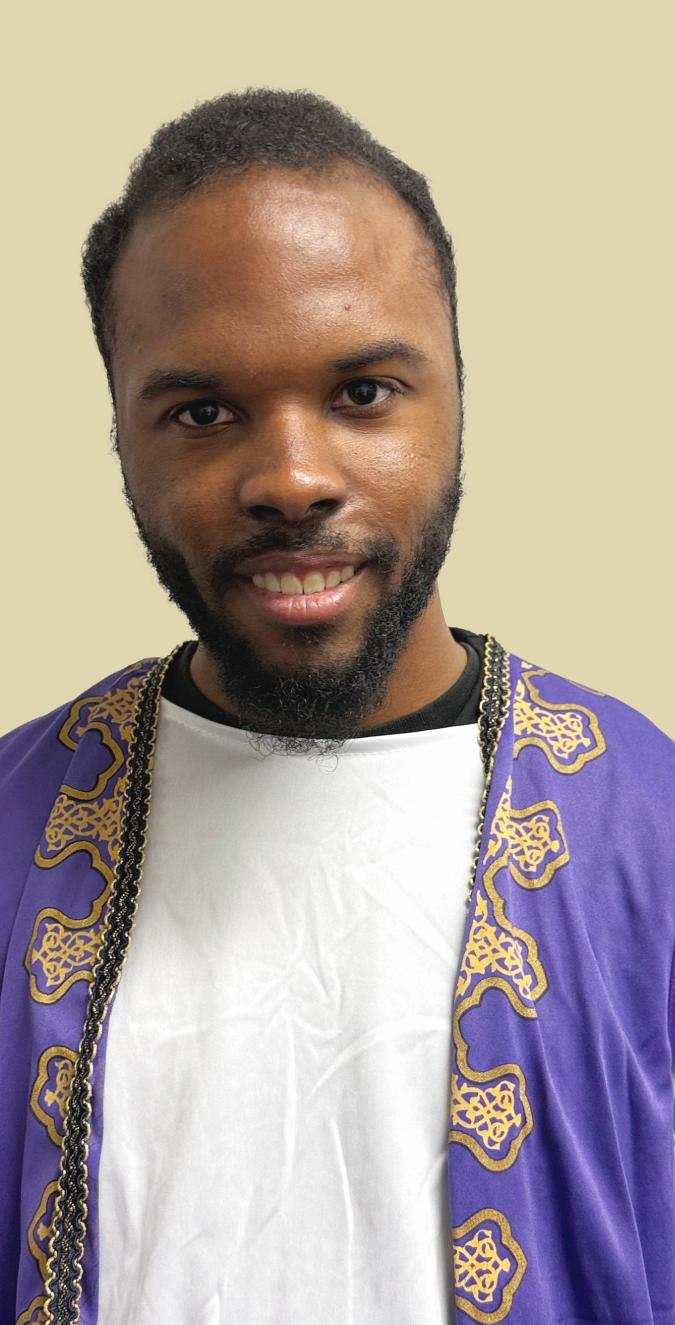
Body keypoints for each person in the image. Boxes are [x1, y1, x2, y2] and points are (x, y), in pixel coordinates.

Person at [0, 87, 673, 1325]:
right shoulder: (9, 822)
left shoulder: (653, 826)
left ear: (458, 396)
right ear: (121, 436)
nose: (293, 478)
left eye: (363, 392)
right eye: (203, 412)